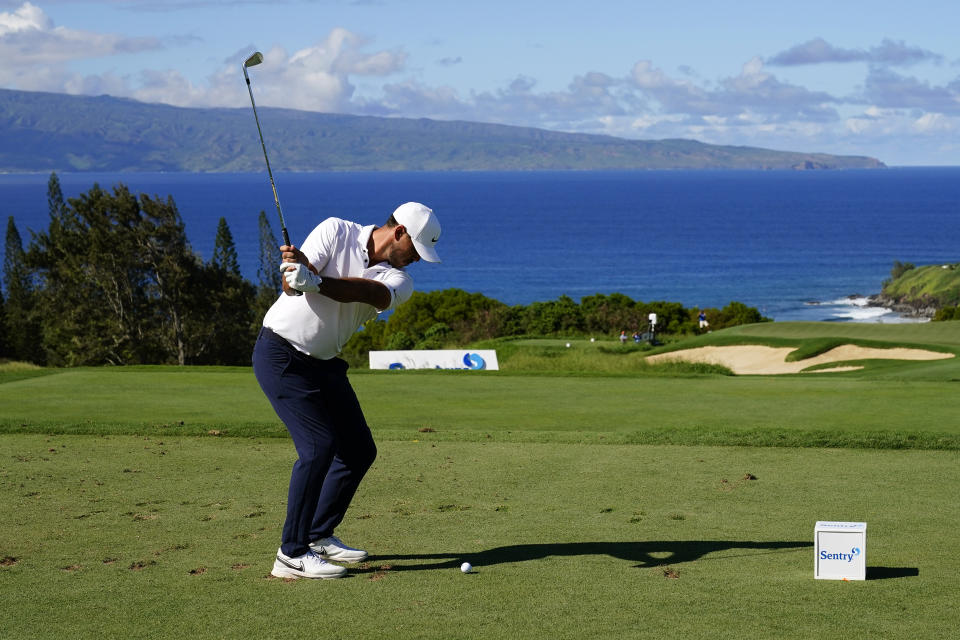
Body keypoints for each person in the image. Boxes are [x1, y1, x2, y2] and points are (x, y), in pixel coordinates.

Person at [253, 202, 441, 579]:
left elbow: (369, 294)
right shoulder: (336, 230)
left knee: (358, 450)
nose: (417, 259)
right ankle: (290, 554)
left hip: (324, 364)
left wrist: (316, 280)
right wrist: (296, 268)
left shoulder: (400, 281)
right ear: (400, 231)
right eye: (415, 250)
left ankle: (319, 533)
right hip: (282, 354)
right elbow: (291, 287)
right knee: (318, 447)